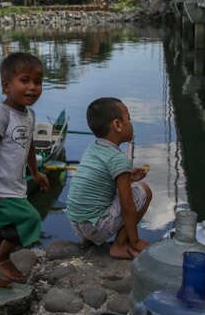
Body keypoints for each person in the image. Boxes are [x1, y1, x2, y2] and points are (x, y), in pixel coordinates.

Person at [0, 52, 50, 287]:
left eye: (38, 82)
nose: (33, 87)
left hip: (13, 183)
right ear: (6, 86)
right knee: (31, 218)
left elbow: (29, 144)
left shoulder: (29, 114)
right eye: (25, 81)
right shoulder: (1, 115)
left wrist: (35, 172)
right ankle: (1, 256)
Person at [64, 97, 153, 259]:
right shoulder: (118, 159)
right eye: (129, 118)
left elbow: (99, 180)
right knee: (144, 191)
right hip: (96, 226)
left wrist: (128, 177)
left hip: (76, 222)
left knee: (106, 194)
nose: (131, 123)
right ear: (118, 125)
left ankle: (88, 241)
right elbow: (127, 206)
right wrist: (136, 240)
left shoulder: (93, 147)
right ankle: (121, 245)